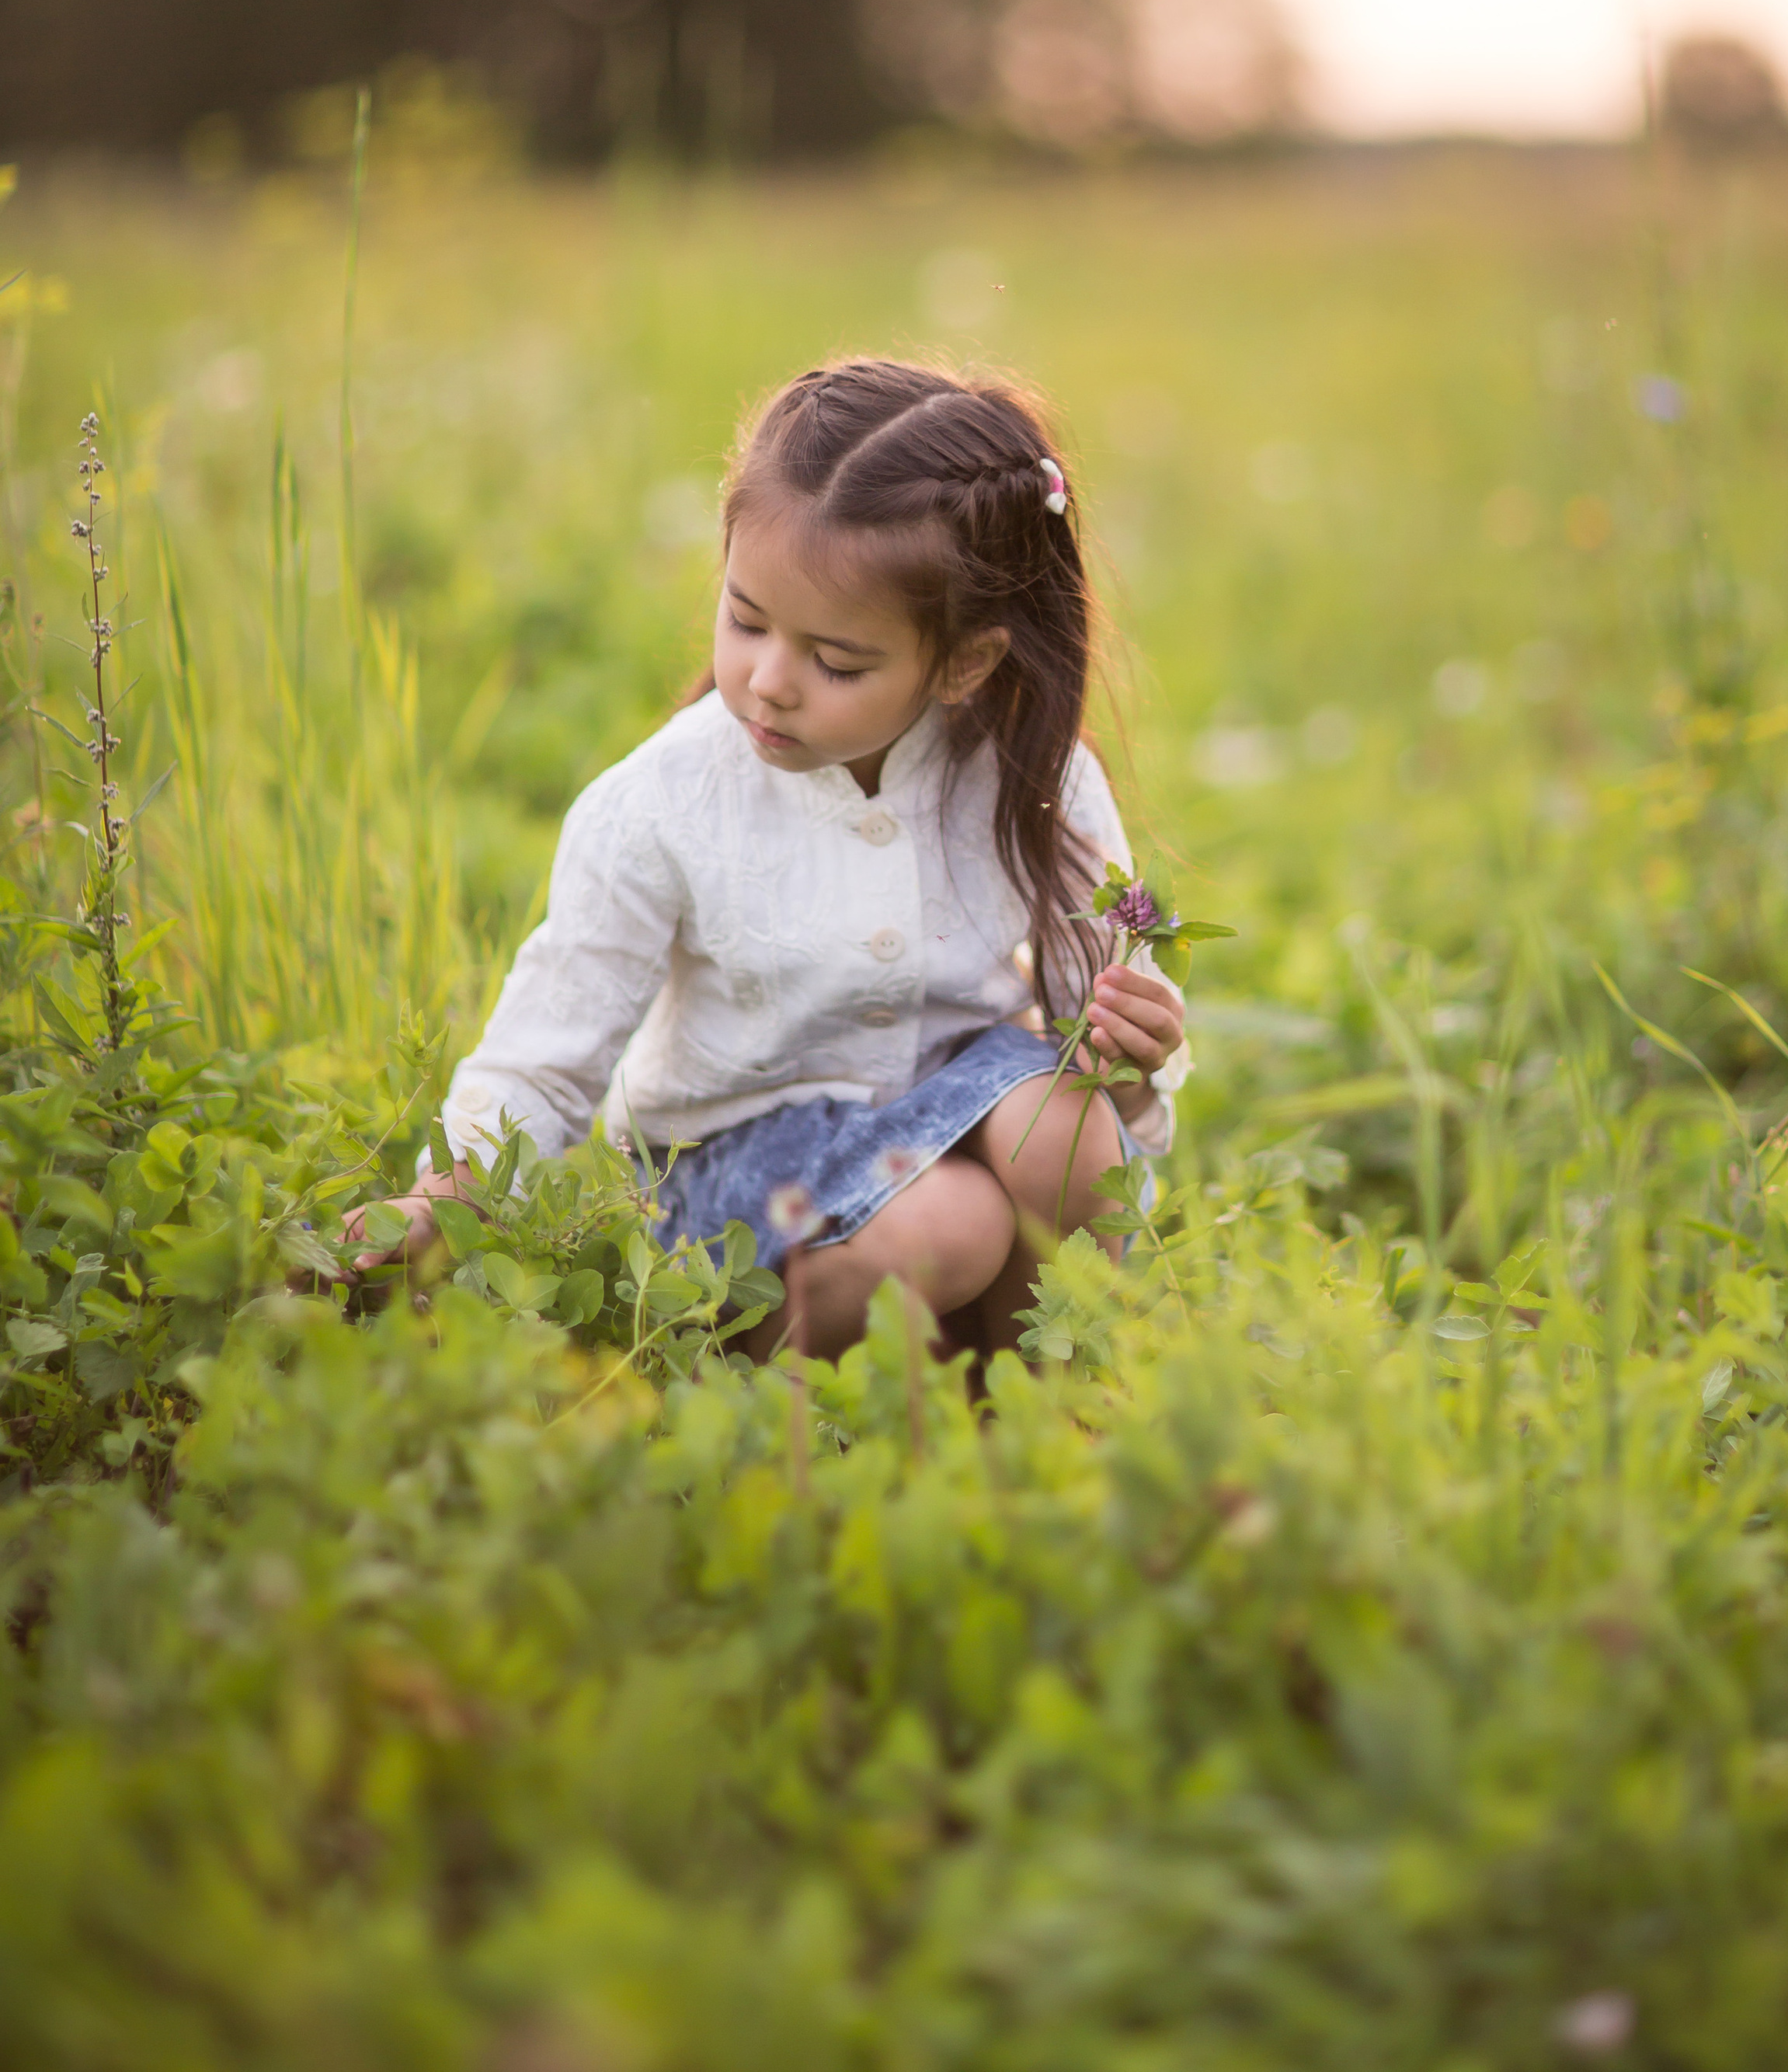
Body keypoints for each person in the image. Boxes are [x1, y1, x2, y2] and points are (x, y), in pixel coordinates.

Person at [364, 355, 1188, 1360]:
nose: (766, 681)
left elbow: (1103, 1059)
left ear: (968, 663)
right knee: (960, 1223)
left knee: (1059, 1127)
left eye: (836, 662)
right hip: (738, 1178)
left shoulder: (1031, 774)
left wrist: (1134, 1069)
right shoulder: (664, 803)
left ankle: (1038, 1417)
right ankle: (738, 1367)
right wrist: (441, 1201)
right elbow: (547, 1056)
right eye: (744, 620)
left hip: (950, 1117)